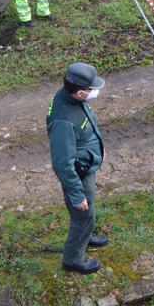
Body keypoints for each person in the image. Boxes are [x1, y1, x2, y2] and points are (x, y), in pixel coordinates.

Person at [47, 63, 110, 274]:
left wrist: (98, 148)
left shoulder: (72, 98)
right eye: (91, 89)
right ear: (80, 92)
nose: (95, 91)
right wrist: (76, 194)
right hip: (77, 173)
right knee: (82, 215)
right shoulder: (63, 122)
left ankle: (86, 236)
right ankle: (73, 259)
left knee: (87, 212)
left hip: (85, 165)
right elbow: (61, 163)